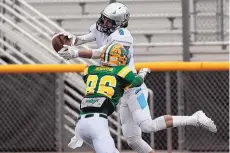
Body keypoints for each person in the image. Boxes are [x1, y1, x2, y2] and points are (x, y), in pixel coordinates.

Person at [56, 3, 217, 153]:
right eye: (104, 18)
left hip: (132, 85)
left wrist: (76, 53)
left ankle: (195, 118)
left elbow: (103, 52)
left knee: (147, 125)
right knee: (132, 140)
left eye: (109, 21)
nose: (104, 22)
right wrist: (72, 40)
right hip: (119, 89)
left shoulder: (123, 35)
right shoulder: (101, 28)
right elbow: (85, 37)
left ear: (120, 23)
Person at [74, 43, 149, 153]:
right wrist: (143, 73)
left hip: (80, 123)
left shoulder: (89, 70)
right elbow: (136, 82)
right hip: (97, 121)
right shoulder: (122, 71)